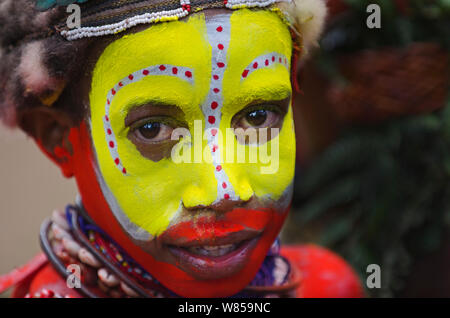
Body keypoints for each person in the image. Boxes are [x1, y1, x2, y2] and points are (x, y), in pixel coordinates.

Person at [0, 0, 363, 298]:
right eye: (154, 129)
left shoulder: (325, 287)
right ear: (60, 140)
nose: (224, 191)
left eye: (256, 116)